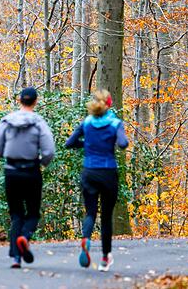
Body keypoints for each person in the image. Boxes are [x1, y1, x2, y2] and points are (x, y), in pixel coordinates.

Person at [0, 87, 56, 269]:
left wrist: (2, 155)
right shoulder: (39, 123)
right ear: (35, 102)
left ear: (20, 101)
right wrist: (42, 163)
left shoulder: (7, 121)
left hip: (11, 171)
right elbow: (49, 150)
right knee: (33, 213)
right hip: (31, 171)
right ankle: (25, 238)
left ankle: (16, 258)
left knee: (16, 214)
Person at [65, 89, 128, 272]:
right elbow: (123, 144)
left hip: (89, 171)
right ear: (109, 105)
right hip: (108, 173)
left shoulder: (86, 123)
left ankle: (86, 238)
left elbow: (69, 143)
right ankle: (104, 259)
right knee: (106, 217)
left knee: (90, 212)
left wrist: (88, 144)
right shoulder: (115, 123)